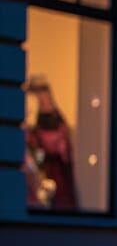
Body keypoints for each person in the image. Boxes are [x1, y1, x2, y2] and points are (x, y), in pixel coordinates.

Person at [23, 74, 77, 210]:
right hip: (42, 171)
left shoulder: (58, 121)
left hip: (56, 174)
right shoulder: (33, 131)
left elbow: (63, 147)